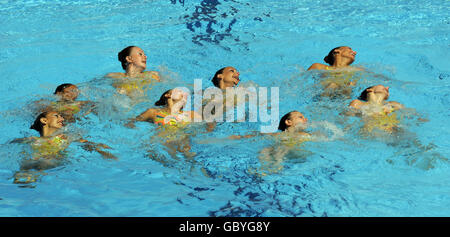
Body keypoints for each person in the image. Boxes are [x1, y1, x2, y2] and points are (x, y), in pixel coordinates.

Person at [12, 111, 117, 184]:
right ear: (44, 120)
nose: (62, 119)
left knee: (42, 161)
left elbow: (86, 143)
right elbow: (12, 143)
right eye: (56, 116)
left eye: (61, 116)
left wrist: (102, 150)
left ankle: (29, 177)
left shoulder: (65, 137)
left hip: (52, 163)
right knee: (28, 163)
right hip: (36, 163)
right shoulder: (33, 139)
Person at [127, 88, 202, 159]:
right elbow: (131, 122)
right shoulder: (153, 112)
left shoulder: (191, 114)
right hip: (161, 146)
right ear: (168, 95)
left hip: (183, 147)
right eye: (179, 90)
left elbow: (205, 127)